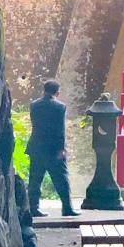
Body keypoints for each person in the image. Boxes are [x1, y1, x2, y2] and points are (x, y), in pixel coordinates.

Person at [27, 79, 76, 217]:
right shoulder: (60, 107)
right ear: (57, 92)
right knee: (61, 178)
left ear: (44, 90)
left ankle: (33, 207)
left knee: (35, 179)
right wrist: (61, 148)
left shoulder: (34, 105)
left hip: (36, 146)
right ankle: (67, 208)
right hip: (53, 148)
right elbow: (60, 129)